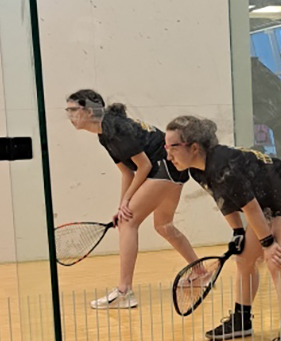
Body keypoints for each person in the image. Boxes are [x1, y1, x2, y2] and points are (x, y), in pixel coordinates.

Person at [164, 115, 281, 341]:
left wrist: (268, 244)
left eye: (172, 148)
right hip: (268, 204)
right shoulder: (197, 170)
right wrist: (237, 232)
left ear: (194, 148)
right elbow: (224, 200)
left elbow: (251, 209)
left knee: (279, 263)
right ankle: (241, 320)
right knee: (243, 259)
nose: (168, 155)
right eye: (166, 147)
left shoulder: (224, 167)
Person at [65, 89, 201, 309]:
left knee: (128, 222)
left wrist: (126, 205)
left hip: (164, 167)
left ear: (89, 111)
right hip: (171, 171)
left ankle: (124, 291)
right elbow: (127, 172)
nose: (69, 115)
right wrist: (122, 204)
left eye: (73, 110)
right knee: (163, 226)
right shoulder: (104, 134)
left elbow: (144, 165)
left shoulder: (115, 129)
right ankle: (200, 273)